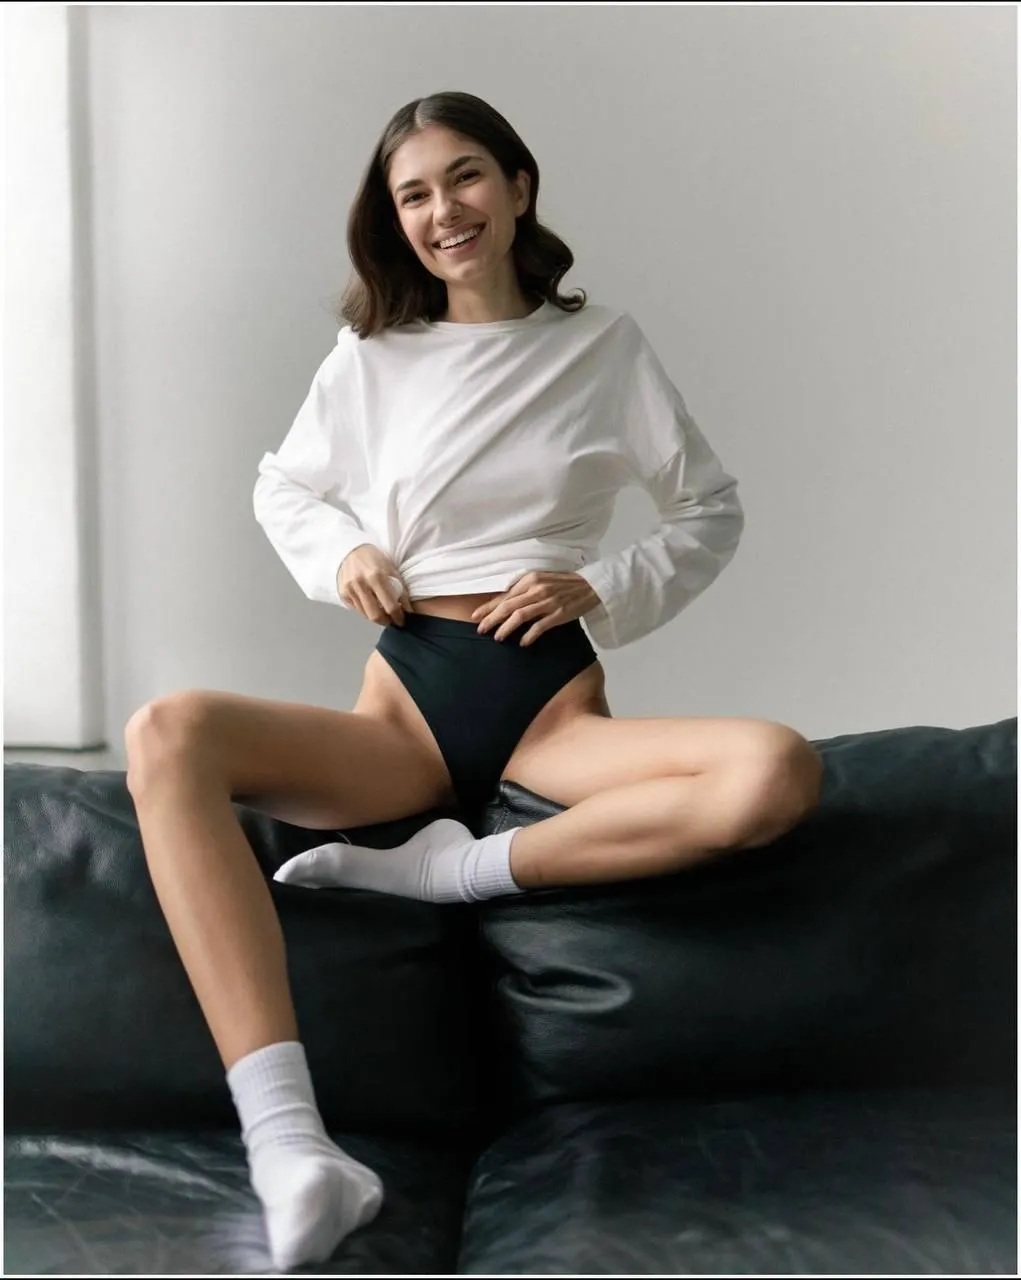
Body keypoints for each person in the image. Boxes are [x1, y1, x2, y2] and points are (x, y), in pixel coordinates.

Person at [124, 90, 824, 1272]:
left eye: (464, 178)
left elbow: (710, 507)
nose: (441, 210)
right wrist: (341, 551)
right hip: (408, 698)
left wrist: (598, 584)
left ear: (517, 187)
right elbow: (282, 486)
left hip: (550, 705)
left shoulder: (601, 346)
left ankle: (445, 869)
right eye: (413, 193)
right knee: (167, 731)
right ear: (393, 219)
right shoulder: (370, 359)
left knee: (776, 769)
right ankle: (292, 1145)